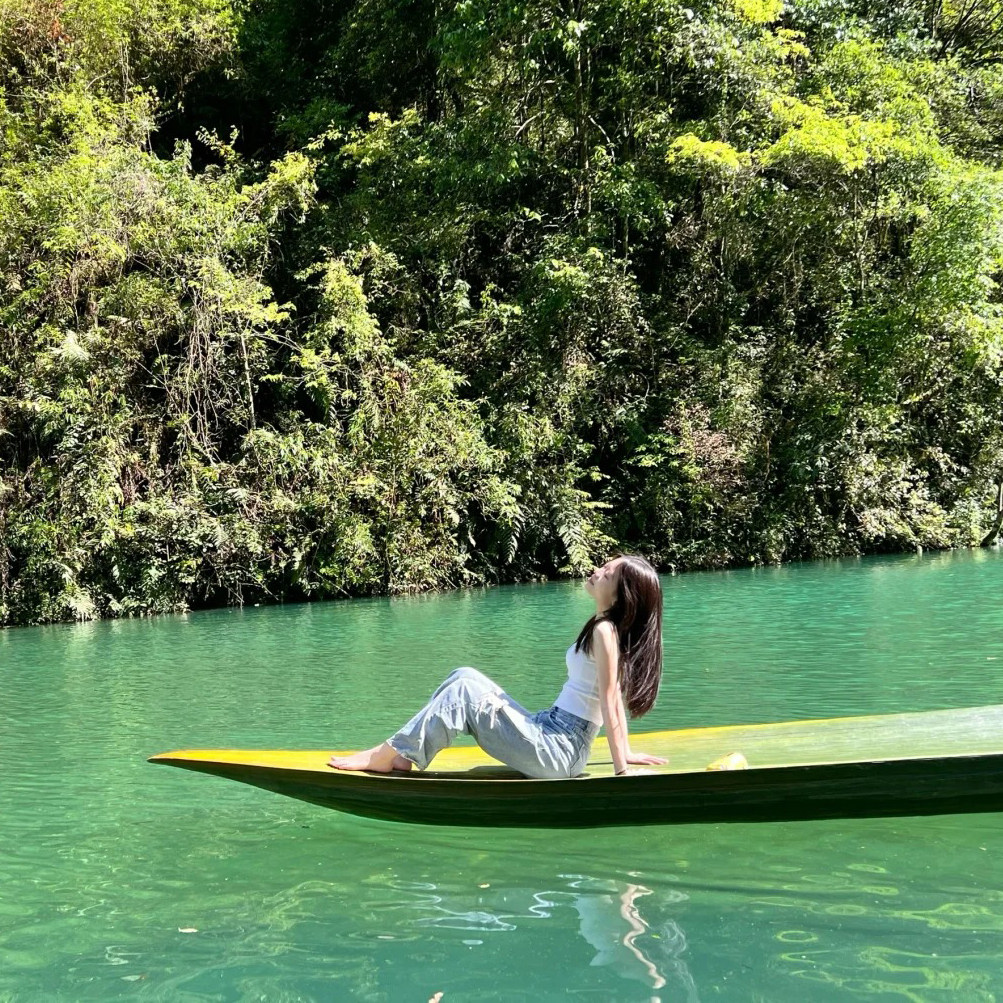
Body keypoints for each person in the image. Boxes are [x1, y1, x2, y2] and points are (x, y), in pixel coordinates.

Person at [327, 555, 668, 778]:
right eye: (604, 565)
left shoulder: (605, 631)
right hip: (551, 732)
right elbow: (611, 695)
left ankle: (387, 754)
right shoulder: (605, 628)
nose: (598, 570)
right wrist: (626, 752)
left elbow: (610, 700)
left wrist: (622, 770)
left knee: (464, 691)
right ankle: (404, 754)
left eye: (608, 573)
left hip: (558, 751)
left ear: (622, 594)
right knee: (465, 676)